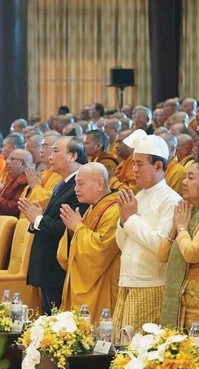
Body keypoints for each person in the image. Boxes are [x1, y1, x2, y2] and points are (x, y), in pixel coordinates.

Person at [114, 130, 182, 332]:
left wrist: (131, 219)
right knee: (120, 344)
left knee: (137, 347)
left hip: (150, 284)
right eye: (133, 163)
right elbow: (122, 243)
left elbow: (160, 246)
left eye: (139, 164)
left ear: (158, 166)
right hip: (127, 280)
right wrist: (124, 220)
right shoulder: (139, 196)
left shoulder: (171, 200)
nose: (133, 169)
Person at [19, 136, 89, 315]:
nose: (50, 155)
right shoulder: (62, 183)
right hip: (47, 266)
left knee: (58, 325)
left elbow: (69, 227)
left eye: (56, 150)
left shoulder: (80, 185)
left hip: (58, 267)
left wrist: (38, 219)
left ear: (73, 156)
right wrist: (35, 220)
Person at [158, 158, 199, 330]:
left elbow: (192, 253)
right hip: (182, 294)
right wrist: (175, 229)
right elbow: (161, 255)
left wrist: (181, 228)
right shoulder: (187, 211)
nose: (184, 182)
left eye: (191, 178)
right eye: (185, 177)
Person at [56, 162, 120, 323]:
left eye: (80, 183)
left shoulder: (114, 210)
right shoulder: (93, 208)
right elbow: (70, 252)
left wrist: (77, 227)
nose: (75, 189)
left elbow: (100, 251)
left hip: (102, 285)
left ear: (99, 183)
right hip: (87, 282)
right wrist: (72, 230)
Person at [0, 149, 31, 217]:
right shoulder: (14, 178)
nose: (7, 162)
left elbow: (16, 208)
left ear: (22, 163)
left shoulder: (24, 180)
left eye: (12, 159)